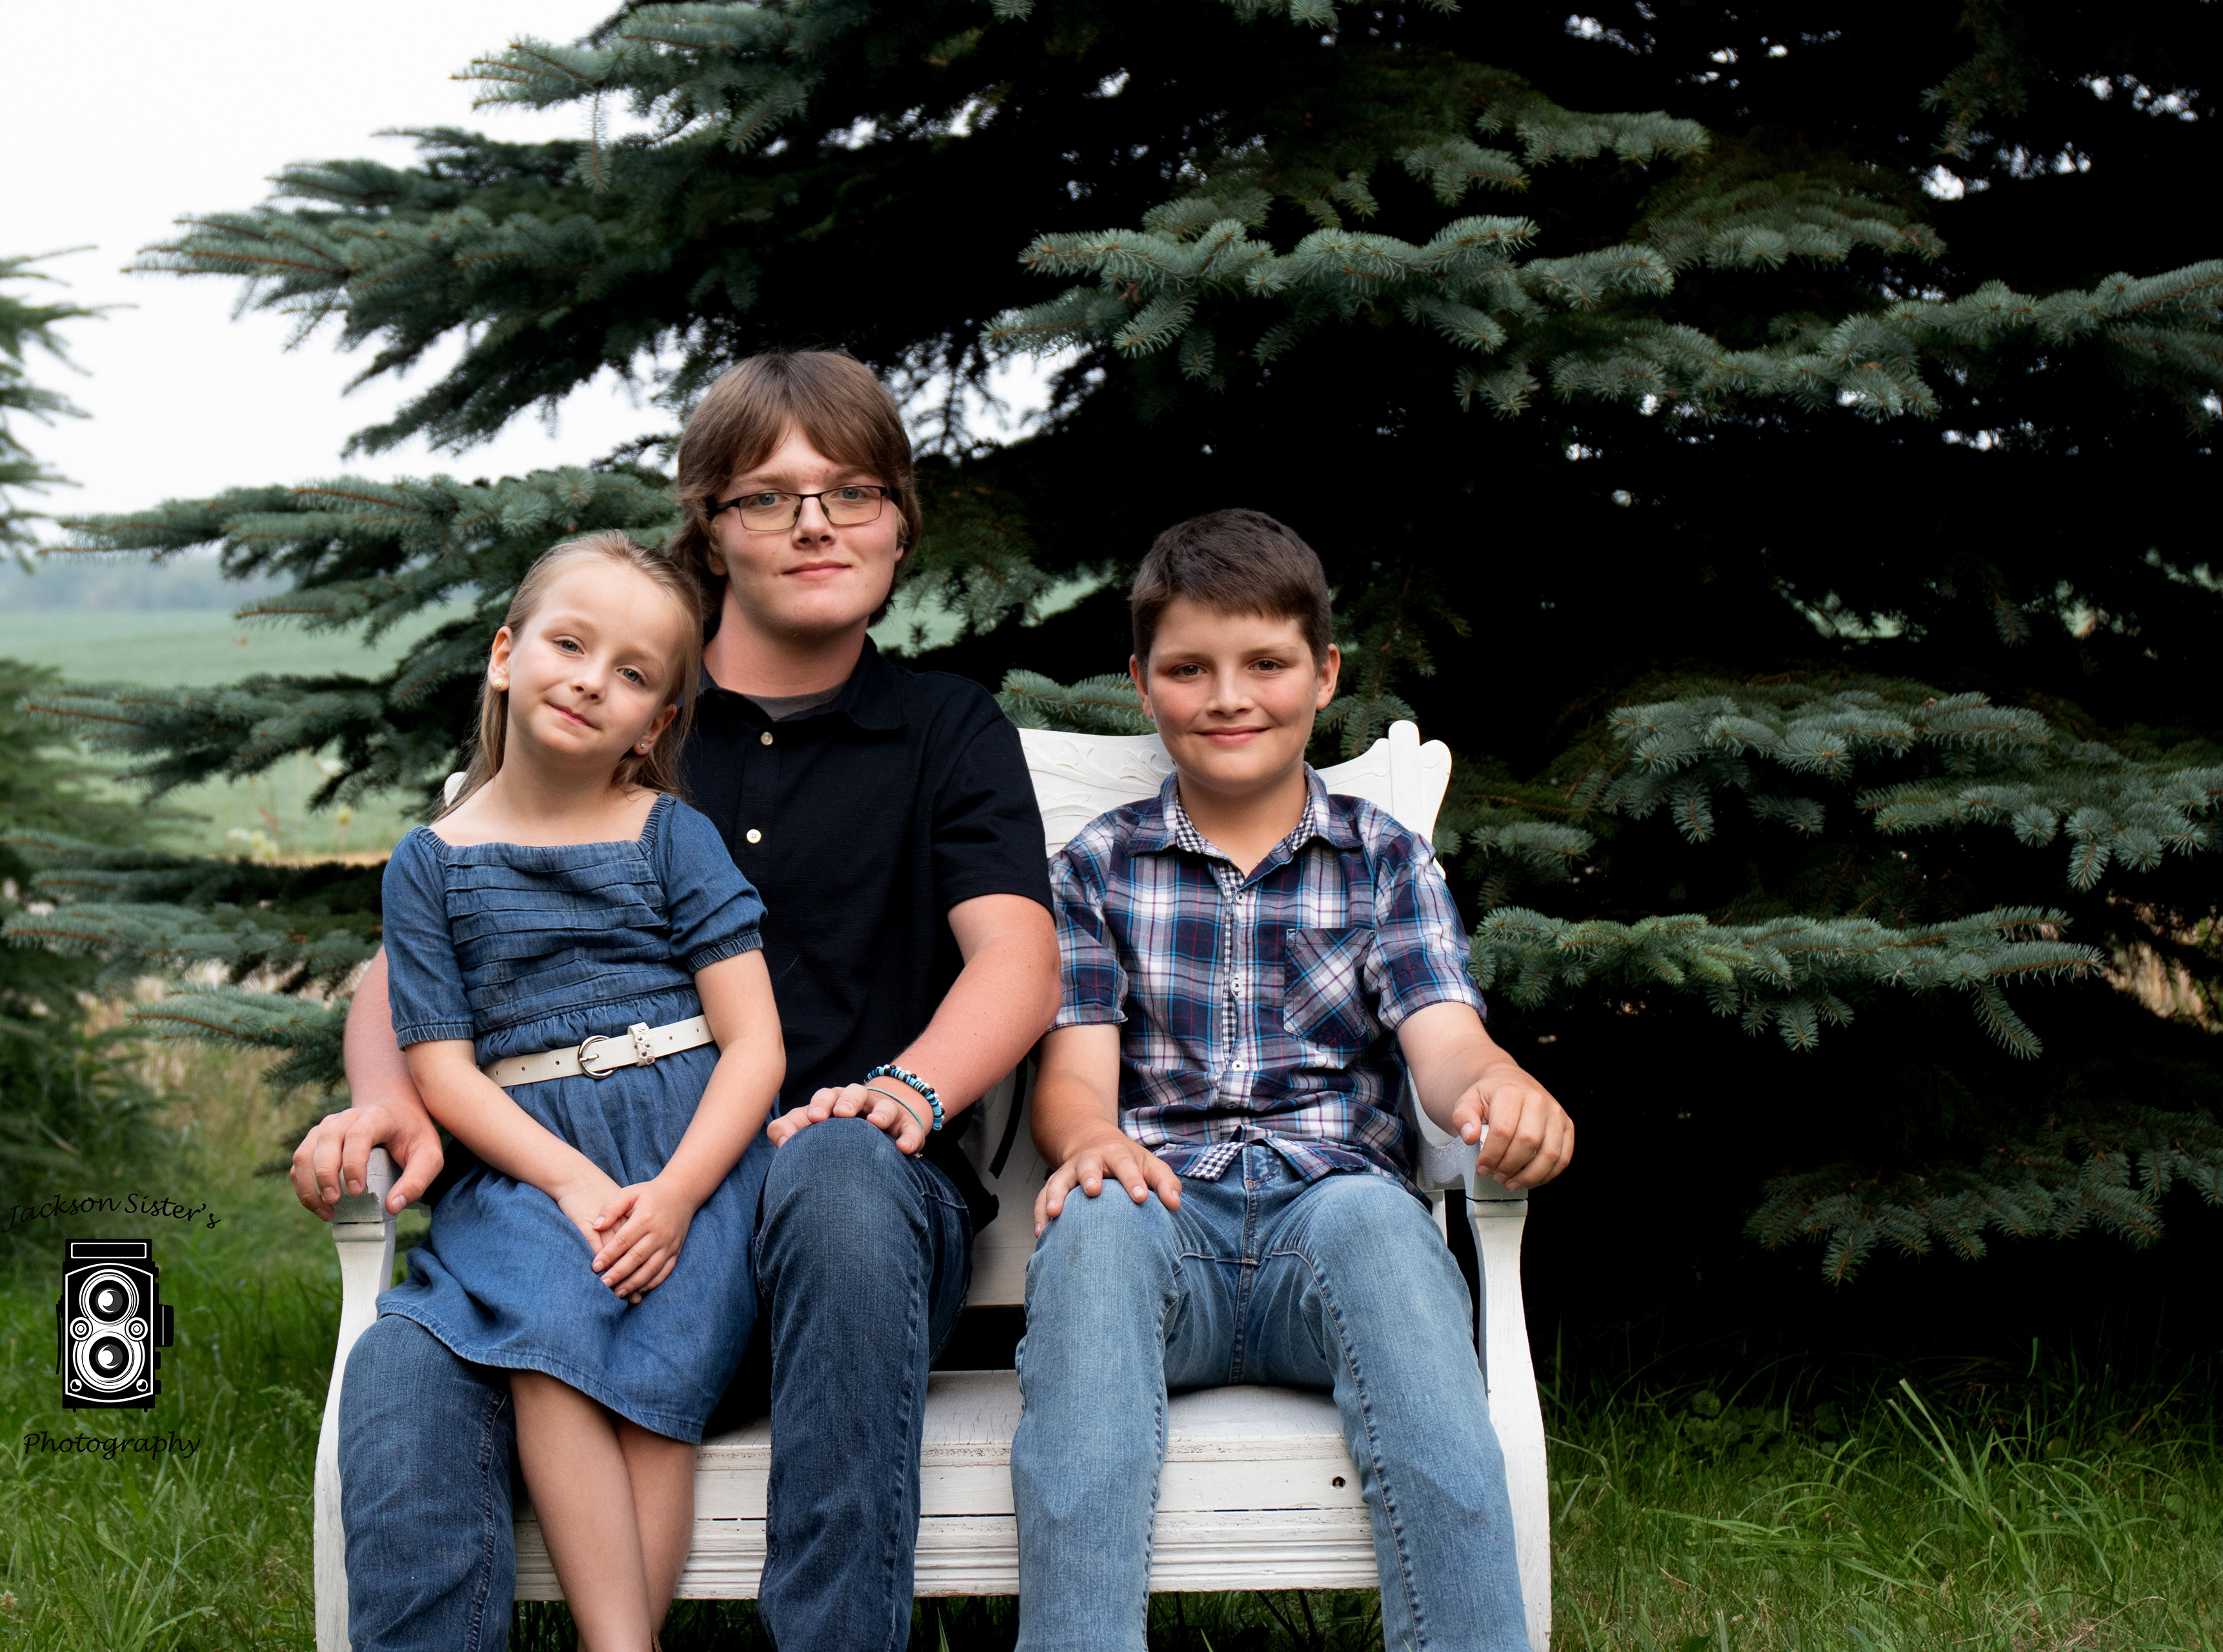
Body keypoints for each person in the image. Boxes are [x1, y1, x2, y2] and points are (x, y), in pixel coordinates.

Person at [295, 350, 1060, 1652]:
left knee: (837, 1172)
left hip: (846, 1230)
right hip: (598, 1215)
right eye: (768, 496)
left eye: (854, 492)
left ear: (900, 522)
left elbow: (1018, 959)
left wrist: (908, 1089)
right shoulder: (619, 708)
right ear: (709, 528)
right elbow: (412, 962)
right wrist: (391, 1101)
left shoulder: (944, 729)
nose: (815, 523)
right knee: (405, 1365)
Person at [1011, 510, 1576, 1652]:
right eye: (1189, 669)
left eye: (1266, 664)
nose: (1230, 697)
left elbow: (1447, 1042)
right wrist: (1091, 1144)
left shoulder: (1383, 857)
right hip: (1162, 1215)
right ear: (1142, 684)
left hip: (1332, 1219)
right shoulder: (1096, 866)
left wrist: (1502, 1082)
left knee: (1383, 1227)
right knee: (1096, 1225)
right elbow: (1072, 1083)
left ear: (1323, 675)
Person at [375, 531, 786, 1652]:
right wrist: (565, 1180)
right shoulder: (431, 862)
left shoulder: (671, 835)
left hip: (689, 1155)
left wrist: (678, 1196)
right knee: (546, 1346)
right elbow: (442, 1068)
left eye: (633, 673)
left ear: (654, 725)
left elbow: (755, 1044)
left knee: (658, 1387)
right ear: (506, 655)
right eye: (569, 644)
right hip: (527, 1165)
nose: (592, 679)